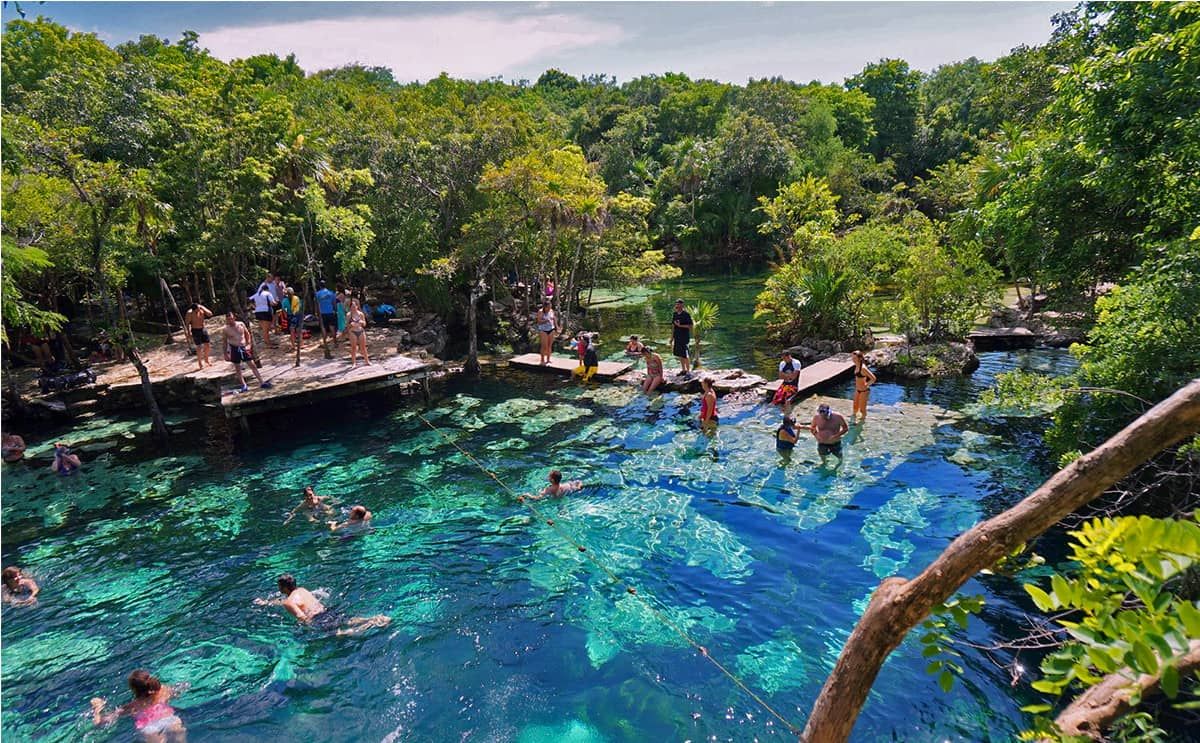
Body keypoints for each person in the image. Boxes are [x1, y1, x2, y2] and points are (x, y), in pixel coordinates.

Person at [261, 574, 391, 636]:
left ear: (283, 587)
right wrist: (267, 603)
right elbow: (293, 601)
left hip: (319, 620)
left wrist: (306, 630)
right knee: (349, 620)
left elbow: (302, 617)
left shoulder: (288, 602)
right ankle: (373, 618)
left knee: (339, 634)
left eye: (279, 586)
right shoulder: (302, 590)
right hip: (327, 612)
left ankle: (372, 625)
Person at [90, 669, 187, 742]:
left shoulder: (133, 706)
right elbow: (179, 690)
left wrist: (97, 708)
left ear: (134, 689)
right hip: (170, 720)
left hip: (149, 728)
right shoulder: (164, 691)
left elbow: (100, 722)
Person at [224, 312, 271, 393]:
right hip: (234, 348)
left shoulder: (241, 324)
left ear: (234, 318)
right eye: (228, 319)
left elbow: (247, 334)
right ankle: (244, 385)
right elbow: (224, 342)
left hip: (243, 347)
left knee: (252, 365)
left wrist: (249, 344)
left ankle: (261, 382)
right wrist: (225, 354)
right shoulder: (226, 329)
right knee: (238, 368)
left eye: (231, 318)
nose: (230, 320)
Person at [851, 350, 877, 425]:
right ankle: (854, 419)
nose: (853, 359)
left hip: (864, 391)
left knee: (862, 409)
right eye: (852, 358)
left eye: (854, 358)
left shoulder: (863, 368)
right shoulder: (857, 365)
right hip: (857, 390)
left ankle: (861, 423)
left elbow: (873, 378)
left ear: (859, 358)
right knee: (855, 407)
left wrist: (866, 384)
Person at [185, 303, 213, 369]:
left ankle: (206, 360)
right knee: (199, 347)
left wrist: (203, 307)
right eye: (197, 310)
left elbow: (210, 314)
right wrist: (189, 333)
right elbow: (187, 324)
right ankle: (200, 363)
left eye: (198, 309)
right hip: (195, 330)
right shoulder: (189, 313)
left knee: (207, 345)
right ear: (193, 310)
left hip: (203, 329)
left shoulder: (202, 309)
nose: (198, 310)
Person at [249, 282, 276, 348]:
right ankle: (268, 344)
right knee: (266, 329)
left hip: (258, 311)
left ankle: (268, 341)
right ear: (267, 289)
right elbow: (272, 303)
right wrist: (276, 303)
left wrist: (254, 306)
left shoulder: (256, 294)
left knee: (264, 328)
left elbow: (249, 299)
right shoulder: (268, 294)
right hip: (266, 311)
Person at [671, 299, 694, 377]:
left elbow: (690, 325)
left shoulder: (686, 314)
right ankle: (683, 370)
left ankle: (688, 371)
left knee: (685, 354)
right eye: (676, 304)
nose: (677, 306)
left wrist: (680, 326)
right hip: (677, 336)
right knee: (679, 354)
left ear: (682, 305)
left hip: (684, 337)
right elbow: (673, 326)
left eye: (679, 304)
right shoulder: (675, 314)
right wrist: (671, 337)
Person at [347, 299, 370, 367]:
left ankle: (367, 361)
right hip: (352, 332)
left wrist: (362, 322)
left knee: (363, 347)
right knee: (354, 347)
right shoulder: (348, 315)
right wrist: (351, 324)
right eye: (352, 306)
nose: (353, 308)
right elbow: (347, 325)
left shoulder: (361, 314)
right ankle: (354, 363)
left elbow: (365, 324)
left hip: (360, 331)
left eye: (354, 306)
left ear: (357, 306)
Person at [535, 301, 557, 365]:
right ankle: (542, 360)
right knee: (544, 346)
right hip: (543, 330)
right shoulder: (540, 311)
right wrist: (546, 320)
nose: (550, 308)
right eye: (548, 307)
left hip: (551, 329)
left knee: (550, 346)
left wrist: (557, 327)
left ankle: (548, 360)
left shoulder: (551, 311)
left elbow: (554, 318)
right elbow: (539, 321)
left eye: (550, 307)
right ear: (545, 307)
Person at [284, 288, 303, 352]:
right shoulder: (296, 298)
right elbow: (299, 307)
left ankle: (293, 346)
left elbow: (284, 309)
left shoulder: (285, 300)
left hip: (292, 316)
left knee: (292, 330)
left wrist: (286, 315)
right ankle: (300, 344)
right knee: (298, 330)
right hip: (297, 315)